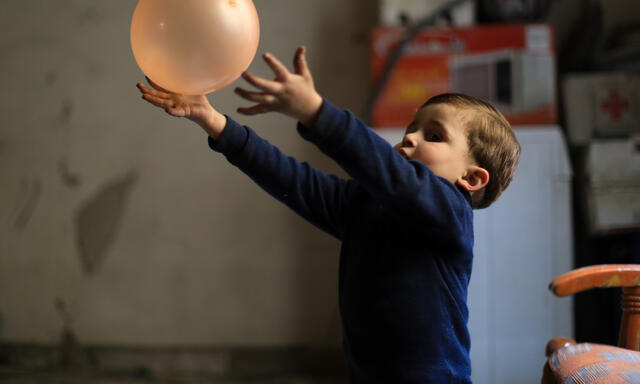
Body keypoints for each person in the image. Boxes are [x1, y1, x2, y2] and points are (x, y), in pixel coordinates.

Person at [136, 45, 521, 383]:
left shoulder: (450, 213)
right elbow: (293, 180)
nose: (410, 137)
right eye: (412, 128)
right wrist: (214, 122)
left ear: (471, 178)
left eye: (434, 136)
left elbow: (389, 174)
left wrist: (317, 113)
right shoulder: (366, 205)